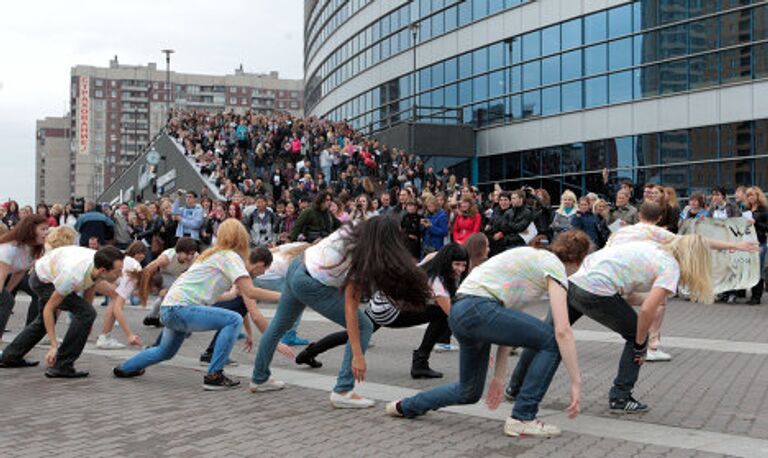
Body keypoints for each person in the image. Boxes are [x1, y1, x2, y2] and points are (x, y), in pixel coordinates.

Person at [386, 232, 591, 438]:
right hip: (479, 308)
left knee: (468, 392)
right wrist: (576, 382)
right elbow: (563, 330)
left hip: (460, 312)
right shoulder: (555, 267)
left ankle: (405, 406)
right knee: (551, 340)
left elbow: (510, 329)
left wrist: (499, 378)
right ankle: (523, 416)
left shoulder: (532, 258)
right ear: (577, 260)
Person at [508, 234, 713, 414]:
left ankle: (515, 388)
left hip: (574, 282)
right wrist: (641, 342)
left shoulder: (652, 249)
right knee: (635, 336)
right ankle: (621, 397)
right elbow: (648, 310)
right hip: (595, 290)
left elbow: (627, 289)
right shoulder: (671, 267)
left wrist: (645, 303)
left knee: (546, 335)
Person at [251, 217, 433, 408]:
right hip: (309, 281)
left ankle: (259, 378)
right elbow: (350, 308)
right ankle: (343, 391)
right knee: (364, 326)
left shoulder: (355, 229)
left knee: (279, 325)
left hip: (298, 265)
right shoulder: (359, 257)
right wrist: (357, 355)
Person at [113, 219, 282, 390]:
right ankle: (214, 376)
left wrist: (231, 294)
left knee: (165, 351)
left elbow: (206, 293)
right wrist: (283, 296)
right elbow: (251, 291)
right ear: (241, 238)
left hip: (170, 307)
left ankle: (125, 368)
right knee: (233, 320)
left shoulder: (210, 254)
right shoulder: (231, 257)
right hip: (181, 309)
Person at [295, 243, 468, 379]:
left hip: (379, 303)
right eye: (457, 264)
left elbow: (439, 253)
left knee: (353, 333)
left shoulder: (433, 261)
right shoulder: (437, 282)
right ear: (447, 262)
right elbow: (453, 315)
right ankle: (420, 363)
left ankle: (309, 353)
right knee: (441, 314)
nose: (460, 269)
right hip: (391, 312)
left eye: (463, 265)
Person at [0, 246, 125, 378]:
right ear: (103, 270)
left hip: (50, 271)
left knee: (82, 314)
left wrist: (86, 324)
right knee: (86, 313)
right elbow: (49, 308)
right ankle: (62, 366)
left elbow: (91, 285)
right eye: (117, 272)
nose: (120, 275)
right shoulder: (73, 275)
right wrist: (53, 346)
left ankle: (10, 356)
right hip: (43, 280)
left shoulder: (99, 263)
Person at [0, 215, 48, 340]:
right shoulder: (9, 248)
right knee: (7, 301)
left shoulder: (31, 250)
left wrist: (8, 291)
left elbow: (20, 272)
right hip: (1, 274)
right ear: (31, 229)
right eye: (42, 229)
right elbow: (1, 276)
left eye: (46, 229)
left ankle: (26, 335)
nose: (46, 233)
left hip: (4, 275)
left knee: (9, 299)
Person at [95, 241, 147, 349]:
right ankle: (104, 337)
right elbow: (118, 308)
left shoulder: (130, 263)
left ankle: (104, 336)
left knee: (114, 297)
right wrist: (129, 335)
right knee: (116, 300)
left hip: (96, 272)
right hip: (97, 273)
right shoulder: (135, 271)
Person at [140, 237, 199, 327]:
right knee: (170, 295)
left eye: (192, 254)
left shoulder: (195, 257)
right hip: (164, 275)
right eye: (187, 254)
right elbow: (148, 269)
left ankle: (153, 316)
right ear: (178, 251)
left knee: (174, 296)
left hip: (178, 276)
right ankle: (165, 318)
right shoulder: (167, 257)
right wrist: (144, 286)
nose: (189, 257)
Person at [745, 187, 768, 305]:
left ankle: (757, 297)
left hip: (760, 243)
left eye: (752, 195)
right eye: (748, 196)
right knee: (751, 270)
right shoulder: (746, 209)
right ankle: (753, 295)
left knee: (758, 270)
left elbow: (766, 228)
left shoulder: (764, 210)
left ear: (758, 196)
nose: (750, 197)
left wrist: (756, 222)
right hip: (748, 243)